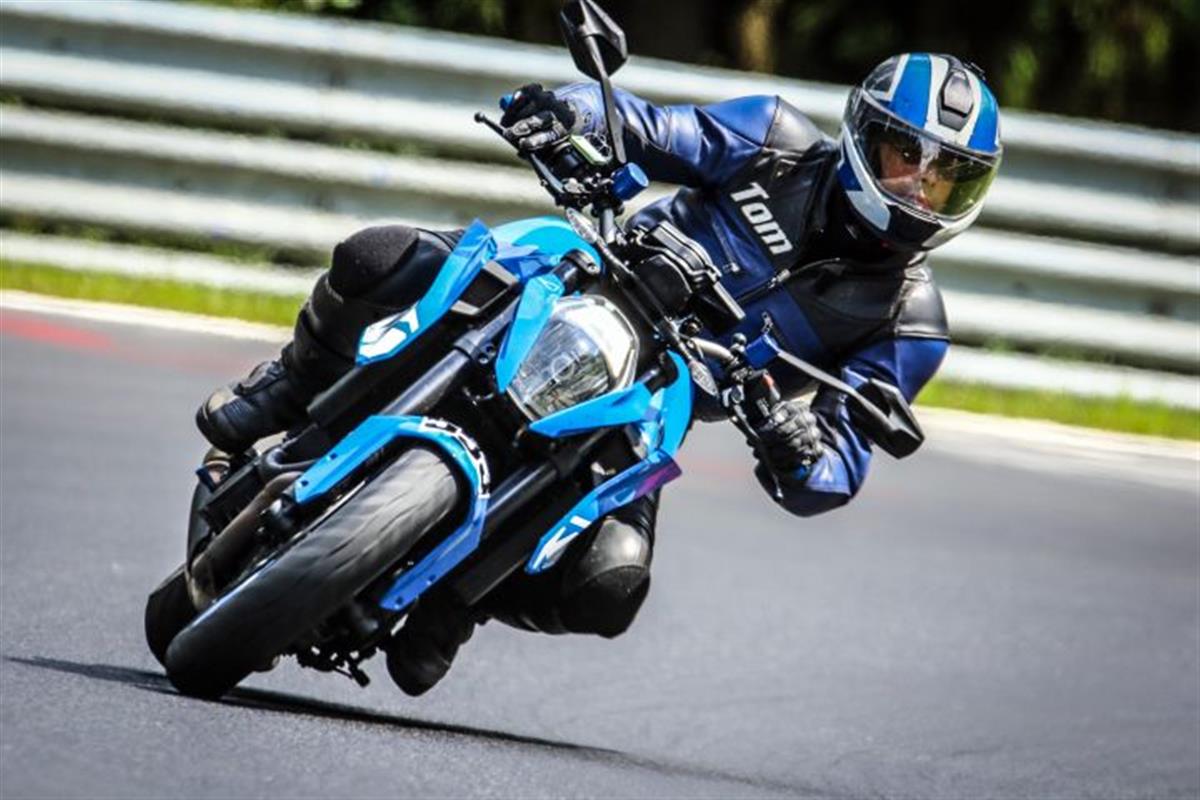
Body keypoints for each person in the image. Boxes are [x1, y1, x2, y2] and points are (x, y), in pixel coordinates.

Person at [195, 52, 1002, 695]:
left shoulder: (908, 320)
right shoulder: (774, 140)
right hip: (584, 281)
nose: (920, 186)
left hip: (657, 403)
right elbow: (649, 127)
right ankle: (286, 388)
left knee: (610, 584)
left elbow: (836, 466)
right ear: (863, 133)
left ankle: (458, 598)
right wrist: (571, 113)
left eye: (947, 176)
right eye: (906, 157)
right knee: (385, 257)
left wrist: (797, 447)